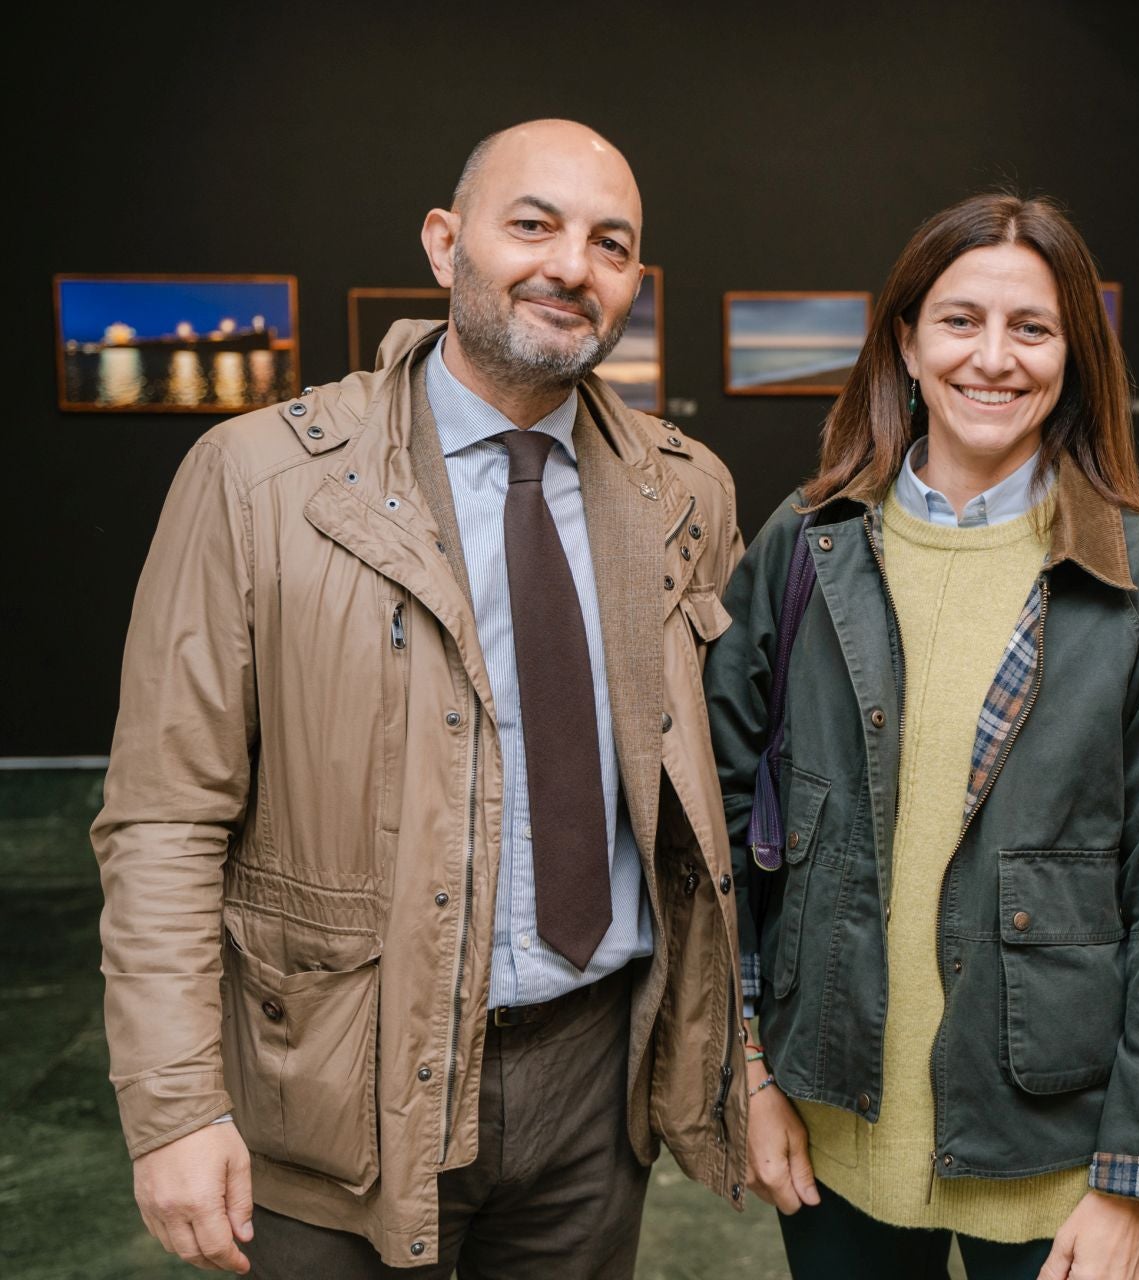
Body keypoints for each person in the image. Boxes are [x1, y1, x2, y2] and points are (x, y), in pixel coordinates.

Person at [91, 119, 749, 1277]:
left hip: (594, 1090)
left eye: (608, 244)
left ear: (632, 285)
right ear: (447, 244)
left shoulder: (688, 494)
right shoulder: (258, 483)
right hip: (336, 1089)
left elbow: (711, 802)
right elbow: (163, 818)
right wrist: (178, 1108)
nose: (569, 265)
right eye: (532, 224)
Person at [705, 193, 1139, 1280]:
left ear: (1075, 355)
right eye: (959, 320)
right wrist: (747, 1075)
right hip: (832, 1130)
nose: (994, 357)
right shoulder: (806, 545)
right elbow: (712, 844)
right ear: (906, 340)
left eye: (1032, 328)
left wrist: (1136, 1174)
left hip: (1054, 1156)